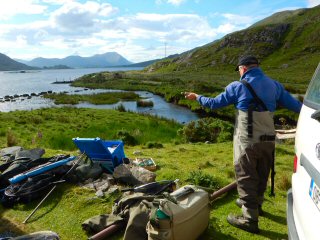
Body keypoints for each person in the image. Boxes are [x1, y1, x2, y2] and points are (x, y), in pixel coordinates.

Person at [184, 56, 302, 233]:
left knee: (245, 176)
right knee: (263, 173)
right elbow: (298, 106)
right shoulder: (274, 85)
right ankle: (257, 205)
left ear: (243, 68)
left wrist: (198, 97)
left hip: (247, 141)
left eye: (239, 70)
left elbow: (215, 104)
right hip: (269, 139)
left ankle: (249, 219)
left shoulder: (237, 86)